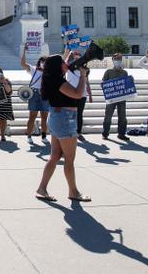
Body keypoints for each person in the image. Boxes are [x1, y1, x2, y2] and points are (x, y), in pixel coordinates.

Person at [35, 55, 91, 202]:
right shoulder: (58, 81)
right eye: (63, 63)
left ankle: (42, 188)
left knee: (55, 156)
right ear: (57, 66)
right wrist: (83, 76)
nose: (66, 64)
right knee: (69, 159)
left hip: (57, 117)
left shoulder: (52, 79)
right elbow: (78, 94)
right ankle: (73, 192)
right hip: (65, 118)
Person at [20, 44, 49, 144]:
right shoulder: (34, 70)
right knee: (32, 116)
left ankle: (44, 136)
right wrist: (24, 51)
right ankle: (29, 135)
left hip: (45, 93)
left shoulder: (49, 72)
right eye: (42, 61)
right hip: (34, 93)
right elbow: (23, 64)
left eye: (45, 62)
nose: (43, 63)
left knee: (44, 116)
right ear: (39, 62)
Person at [64, 49, 93, 142]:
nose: (77, 56)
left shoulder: (84, 69)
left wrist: (90, 94)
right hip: (71, 93)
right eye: (75, 55)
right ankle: (69, 131)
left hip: (82, 94)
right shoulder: (69, 67)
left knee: (79, 114)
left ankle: (79, 132)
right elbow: (65, 61)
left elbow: (87, 82)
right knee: (70, 113)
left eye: (78, 55)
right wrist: (70, 52)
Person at [101, 53, 130, 141]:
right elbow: (103, 84)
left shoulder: (125, 72)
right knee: (108, 116)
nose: (118, 61)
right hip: (111, 98)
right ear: (113, 60)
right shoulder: (108, 72)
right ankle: (105, 133)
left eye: (119, 59)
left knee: (122, 117)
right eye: (116, 59)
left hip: (121, 98)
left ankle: (121, 134)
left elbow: (126, 84)